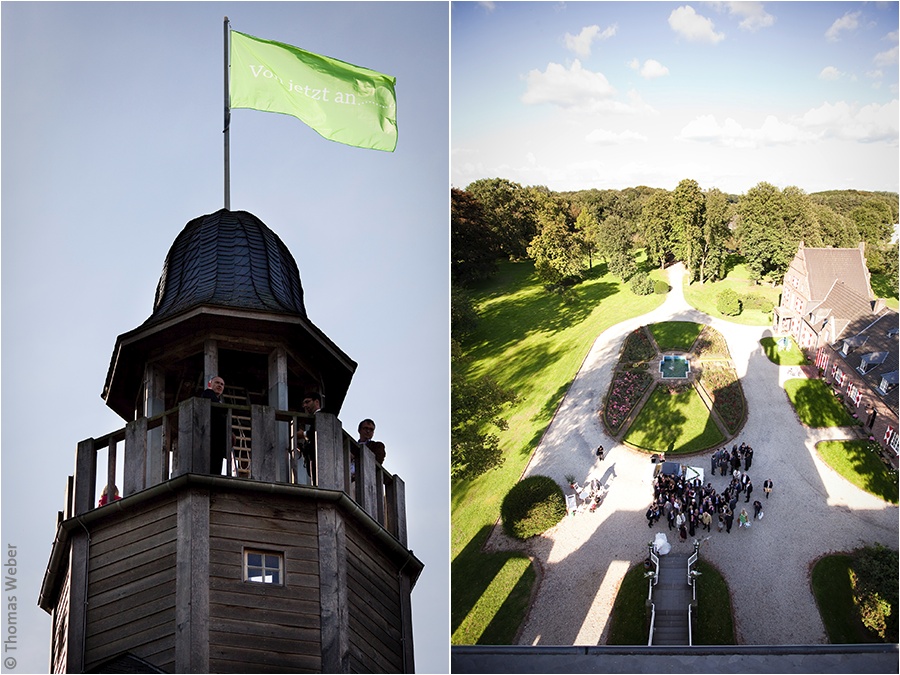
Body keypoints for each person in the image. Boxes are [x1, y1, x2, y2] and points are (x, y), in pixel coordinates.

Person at [202, 375, 227, 474]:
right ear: (210, 384)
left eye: (222, 384)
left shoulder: (218, 400)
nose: (220, 385)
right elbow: (219, 412)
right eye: (217, 383)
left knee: (216, 464)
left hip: (216, 438)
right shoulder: (208, 393)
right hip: (210, 436)